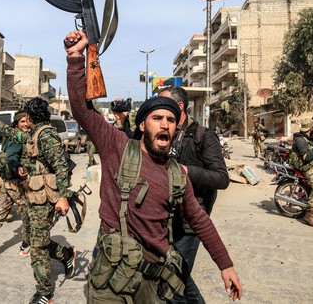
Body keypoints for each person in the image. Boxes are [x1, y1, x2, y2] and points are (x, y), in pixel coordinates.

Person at [64, 30, 242, 303]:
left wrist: (225, 264)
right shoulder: (117, 147)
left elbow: (199, 219)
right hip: (111, 280)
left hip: (152, 282)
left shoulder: (175, 174)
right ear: (142, 125)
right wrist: (76, 58)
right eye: (157, 118)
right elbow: (82, 110)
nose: (165, 124)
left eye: (170, 120)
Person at [0, 98, 76, 304]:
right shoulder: (32, 134)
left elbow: (60, 166)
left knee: (37, 246)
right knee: (34, 239)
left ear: (30, 117)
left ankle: (44, 292)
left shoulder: (46, 135)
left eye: (26, 116)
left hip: (44, 199)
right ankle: (66, 254)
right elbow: (12, 133)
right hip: (32, 195)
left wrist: (63, 197)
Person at [159, 86, 230, 304]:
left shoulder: (203, 136)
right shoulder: (161, 132)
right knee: (176, 275)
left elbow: (221, 178)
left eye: (164, 103)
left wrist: (187, 171)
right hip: (162, 218)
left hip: (189, 222)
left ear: (179, 106)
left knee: (173, 281)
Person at [0, 111, 30, 261]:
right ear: (16, 123)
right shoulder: (17, 138)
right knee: (28, 213)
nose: (25, 124)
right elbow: (12, 157)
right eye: (22, 122)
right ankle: (25, 246)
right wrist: (18, 168)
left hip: (6, 183)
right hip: (16, 184)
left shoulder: (12, 135)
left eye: (27, 121)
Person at [288, 119, 313, 227]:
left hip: (312, 165)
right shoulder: (300, 140)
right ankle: (309, 214)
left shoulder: (308, 138)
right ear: (310, 129)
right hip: (305, 167)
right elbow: (307, 157)